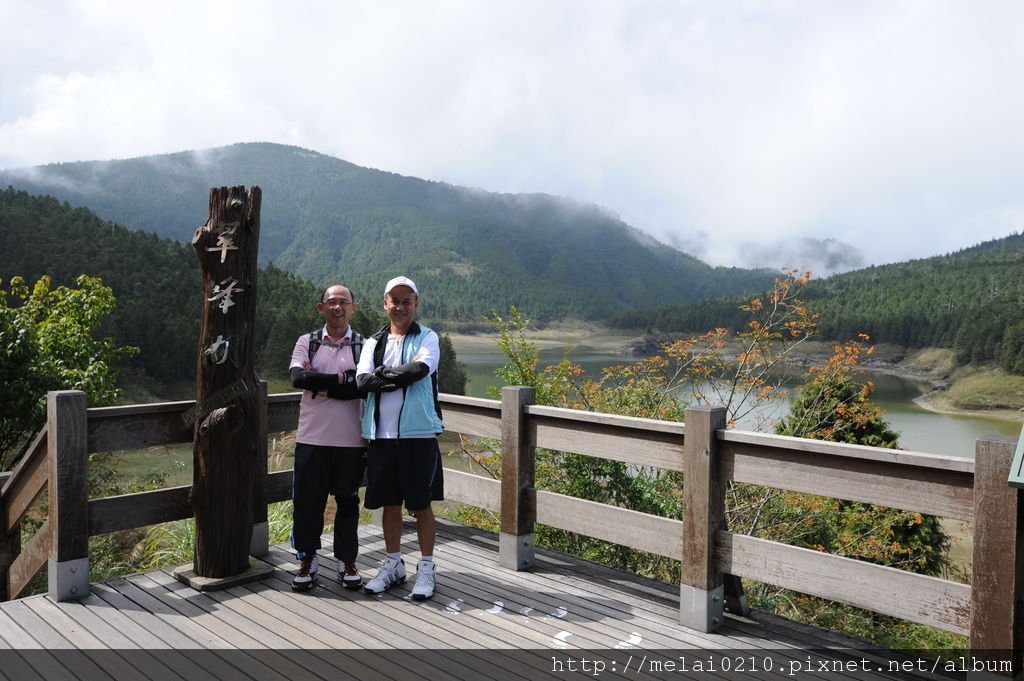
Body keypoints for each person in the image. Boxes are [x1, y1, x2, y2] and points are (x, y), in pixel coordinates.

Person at [357, 275, 444, 600]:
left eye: (407, 301)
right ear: (385, 304)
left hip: (418, 434)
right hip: (380, 436)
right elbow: (362, 381)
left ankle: (427, 566)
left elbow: (420, 370)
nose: (400, 306)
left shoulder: (428, 337)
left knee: (421, 504)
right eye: (394, 300)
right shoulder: (373, 343)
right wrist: (390, 378)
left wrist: (383, 376)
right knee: (390, 504)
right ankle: (394, 563)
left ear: (415, 304)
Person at [288, 284, 367, 592]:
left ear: (353, 308)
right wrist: (340, 381)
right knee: (308, 503)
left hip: (352, 440)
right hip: (312, 439)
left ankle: (347, 560)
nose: (337, 307)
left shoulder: (364, 345)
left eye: (343, 302)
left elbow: (361, 386)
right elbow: (297, 378)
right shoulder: (307, 342)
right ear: (320, 308)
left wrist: (319, 386)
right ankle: (307, 559)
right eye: (331, 302)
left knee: (348, 503)